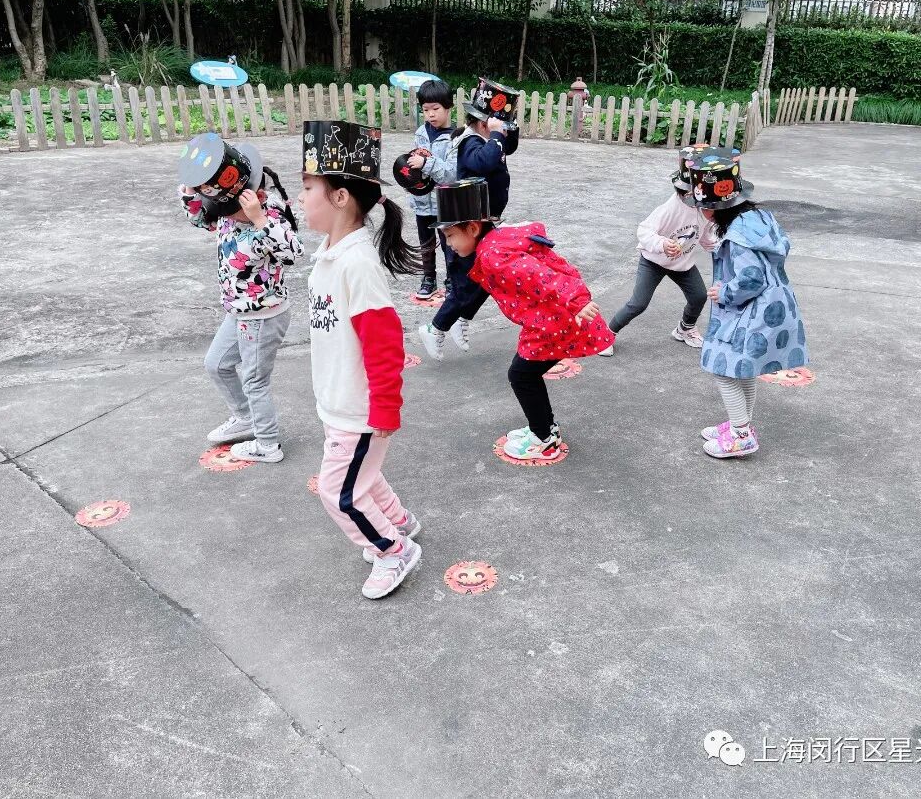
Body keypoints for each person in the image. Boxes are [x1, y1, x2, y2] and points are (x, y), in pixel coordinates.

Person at [299, 120, 424, 600]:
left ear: (339, 197)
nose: (300, 198)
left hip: (360, 408)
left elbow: (384, 343)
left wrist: (386, 409)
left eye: (307, 188)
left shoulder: (357, 263)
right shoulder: (331, 253)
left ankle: (393, 549)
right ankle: (399, 522)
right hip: (339, 401)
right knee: (362, 476)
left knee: (338, 491)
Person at [437, 179, 613, 461]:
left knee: (521, 376)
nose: (448, 244)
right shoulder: (497, 241)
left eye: (449, 235)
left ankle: (544, 439)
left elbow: (542, 275)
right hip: (549, 317)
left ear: (472, 229)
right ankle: (545, 429)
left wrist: (576, 299)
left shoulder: (493, 254)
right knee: (525, 375)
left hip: (554, 320)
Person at [178, 134, 302, 463]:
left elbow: (293, 252)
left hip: (263, 315)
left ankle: (267, 443)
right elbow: (199, 217)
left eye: (227, 211)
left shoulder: (268, 217)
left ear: (253, 199)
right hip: (238, 312)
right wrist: (192, 186)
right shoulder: (225, 215)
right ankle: (246, 417)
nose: (220, 216)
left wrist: (260, 220)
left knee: (254, 379)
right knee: (216, 364)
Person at [690, 148, 808, 459]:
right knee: (742, 368)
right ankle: (739, 424)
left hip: (753, 312)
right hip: (775, 305)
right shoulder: (757, 218)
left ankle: (741, 435)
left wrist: (724, 292)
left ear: (711, 209)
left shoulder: (737, 238)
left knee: (723, 368)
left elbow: (751, 278)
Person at [419, 78, 520, 360]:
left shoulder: (489, 139)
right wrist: (497, 135)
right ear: (484, 123)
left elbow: (509, 147)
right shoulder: (470, 142)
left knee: (489, 277)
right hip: (464, 227)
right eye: (497, 127)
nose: (501, 134)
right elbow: (483, 162)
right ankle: (435, 328)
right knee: (464, 282)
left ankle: (461, 318)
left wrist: (508, 128)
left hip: (482, 223)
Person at [600, 152, 718, 357]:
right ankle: (606, 334)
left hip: (682, 263)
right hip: (653, 261)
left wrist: (721, 247)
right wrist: (662, 244)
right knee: (638, 303)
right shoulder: (671, 208)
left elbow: (706, 237)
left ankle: (685, 329)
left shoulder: (706, 210)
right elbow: (644, 230)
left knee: (699, 296)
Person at [405, 79, 458, 300]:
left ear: (448, 107)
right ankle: (429, 278)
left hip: (445, 203)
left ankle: (452, 280)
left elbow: (451, 173)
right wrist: (409, 176)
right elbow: (414, 165)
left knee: (449, 243)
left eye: (435, 109)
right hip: (422, 201)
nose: (430, 115)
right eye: (426, 110)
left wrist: (426, 163)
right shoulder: (421, 133)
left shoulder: (456, 137)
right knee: (425, 243)